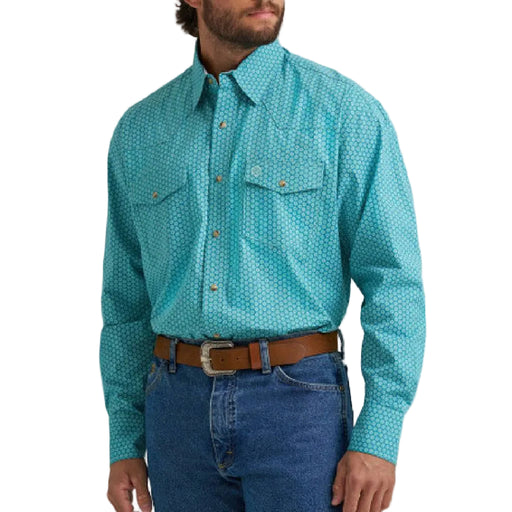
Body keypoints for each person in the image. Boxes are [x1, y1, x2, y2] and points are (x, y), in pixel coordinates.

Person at [99, 1, 426, 511]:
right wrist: (125, 438)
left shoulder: (345, 114)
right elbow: (125, 300)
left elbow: (394, 280)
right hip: (175, 413)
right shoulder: (140, 132)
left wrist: (379, 435)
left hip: (299, 409)